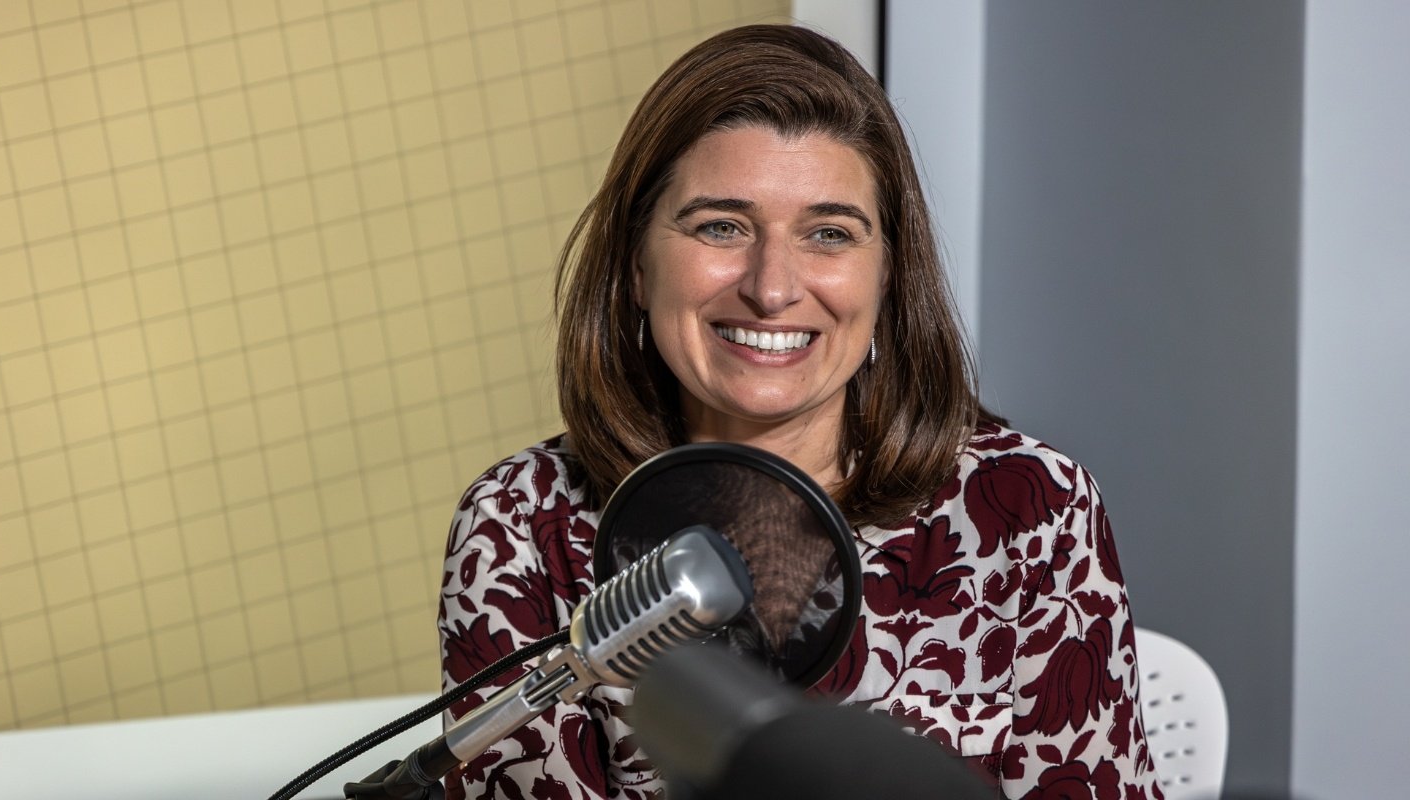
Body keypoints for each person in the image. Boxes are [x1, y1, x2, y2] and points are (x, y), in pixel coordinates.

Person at [437, 24, 1162, 800]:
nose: (773, 286)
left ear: (887, 278)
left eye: (828, 234)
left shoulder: (1030, 507)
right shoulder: (525, 524)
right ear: (636, 269)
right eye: (721, 226)